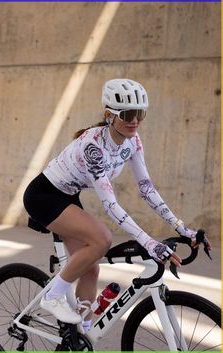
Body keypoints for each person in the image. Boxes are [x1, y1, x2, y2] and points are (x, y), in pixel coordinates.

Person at [23, 78, 211, 329]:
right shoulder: (93, 146)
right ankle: (52, 295)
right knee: (102, 239)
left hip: (68, 196)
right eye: (128, 114)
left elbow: (146, 189)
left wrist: (182, 228)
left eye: (140, 114)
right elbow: (110, 204)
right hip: (43, 196)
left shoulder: (132, 141)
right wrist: (149, 242)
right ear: (109, 115)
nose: (135, 120)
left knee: (90, 269)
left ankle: (82, 331)